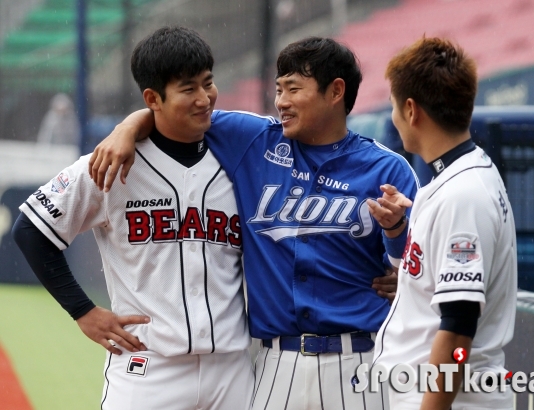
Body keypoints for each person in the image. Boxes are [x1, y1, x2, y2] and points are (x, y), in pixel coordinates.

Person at [90, 34, 419, 410]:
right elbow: (177, 110)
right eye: (278, 89)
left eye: (293, 89)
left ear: (336, 91)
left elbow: (413, 271)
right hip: (277, 365)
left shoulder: (387, 169)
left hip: (360, 360)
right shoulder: (253, 139)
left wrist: (395, 234)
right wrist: (127, 128)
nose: (281, 101)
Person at [12, 26, 254, 410]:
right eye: (188, 88)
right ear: (152, 98)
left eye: (208, 83)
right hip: (148, 367)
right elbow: (30, 228)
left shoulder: (240, 156)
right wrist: (83, 311)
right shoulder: (111, 163)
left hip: (233, 367)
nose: (204, 98)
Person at [369, 37, 517, 410]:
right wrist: (406, 223)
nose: (393, 117)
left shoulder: (461, 196)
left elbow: (457, 329)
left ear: (411, 110)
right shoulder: (461, 175)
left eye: (393, 106)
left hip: (450, 400)